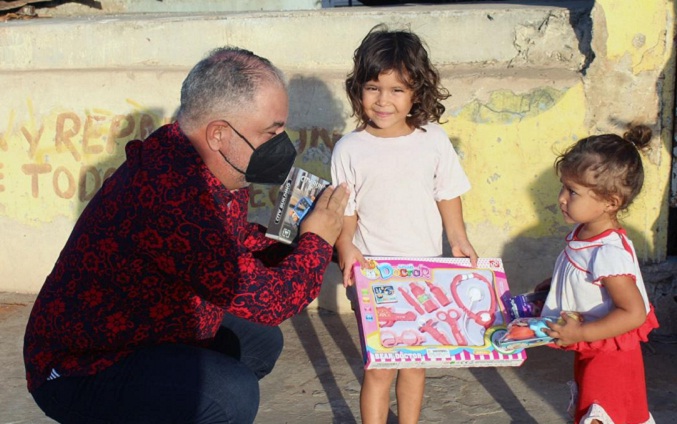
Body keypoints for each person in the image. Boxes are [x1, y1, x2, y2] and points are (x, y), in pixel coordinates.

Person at [23, 47, 349, 424]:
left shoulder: (201, 158)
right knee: (230, 393)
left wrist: (302, 241)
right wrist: (317, 241)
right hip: (79, 368)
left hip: (147, 329)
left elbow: (234, 242)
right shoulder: (173, 196)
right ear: (219, 134)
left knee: (260, 342)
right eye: (271, 132)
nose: (281, 143)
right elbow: (272, 301)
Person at [331, 25, 478, 424]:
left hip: (425, 274)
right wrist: (346, 244)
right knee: (379, 367)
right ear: (358, 88)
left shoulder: (433, 140)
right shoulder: (349, 148)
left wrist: (458, 238)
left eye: (397, 90)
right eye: (373, 87)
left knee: (415, 362)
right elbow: (347, 208)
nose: (383, 101)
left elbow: (447, 192)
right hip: (374, 274)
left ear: (417, 92)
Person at [539, 125, 659, 424]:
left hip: (611, 358)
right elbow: (585, 280)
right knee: (590, 409)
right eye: (563, 187)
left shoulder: (607, 252)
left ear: (611, 202)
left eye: (573, 192)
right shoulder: (584, 235)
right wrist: (554, 287)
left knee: (602, 414)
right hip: (595, 349)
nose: (562, 198)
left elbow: (634, 313)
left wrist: (580, 333)